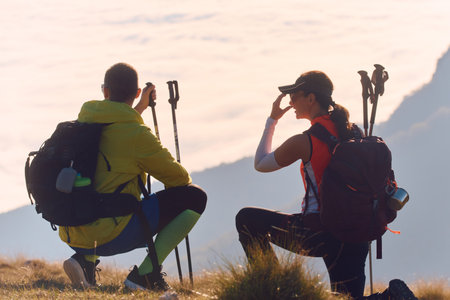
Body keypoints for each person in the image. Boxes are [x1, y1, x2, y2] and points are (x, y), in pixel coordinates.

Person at [235, 71, 417, 299]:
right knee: (348, 297)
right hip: (358, 231)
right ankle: (392, 296)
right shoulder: (354, 132)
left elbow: (261, 163)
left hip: (320, 230)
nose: (290, 102)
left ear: (311, 98)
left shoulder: (305, 141)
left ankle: (277, 288)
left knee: (247, 219)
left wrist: (272, 120)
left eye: (294, 95)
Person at [60, 62, 207, 291]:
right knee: (195, 197)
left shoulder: (83, 124)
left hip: (73, 229)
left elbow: (114, 130)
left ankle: (83, 261)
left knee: (97, 190)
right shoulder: (137, 135)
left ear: (104, 91)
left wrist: (138, 109)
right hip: (112, 234)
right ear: (137, 92)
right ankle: (146, 275)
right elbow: (179, 180)